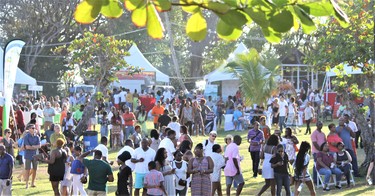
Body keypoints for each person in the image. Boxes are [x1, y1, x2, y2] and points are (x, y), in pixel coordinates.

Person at [24, 123, 41, 189]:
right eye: (33, 128)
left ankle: (32, 183)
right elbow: (27, 147)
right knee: (27, 170)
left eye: (34, 128)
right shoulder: (26, 137)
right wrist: (34, 147)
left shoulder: (37, 137)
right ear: (29, 129)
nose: (34, 129)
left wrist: (33, 146)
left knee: (35, 169)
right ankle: (26, 184)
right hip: (28, 155)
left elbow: (39, 146)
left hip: (35, 155)